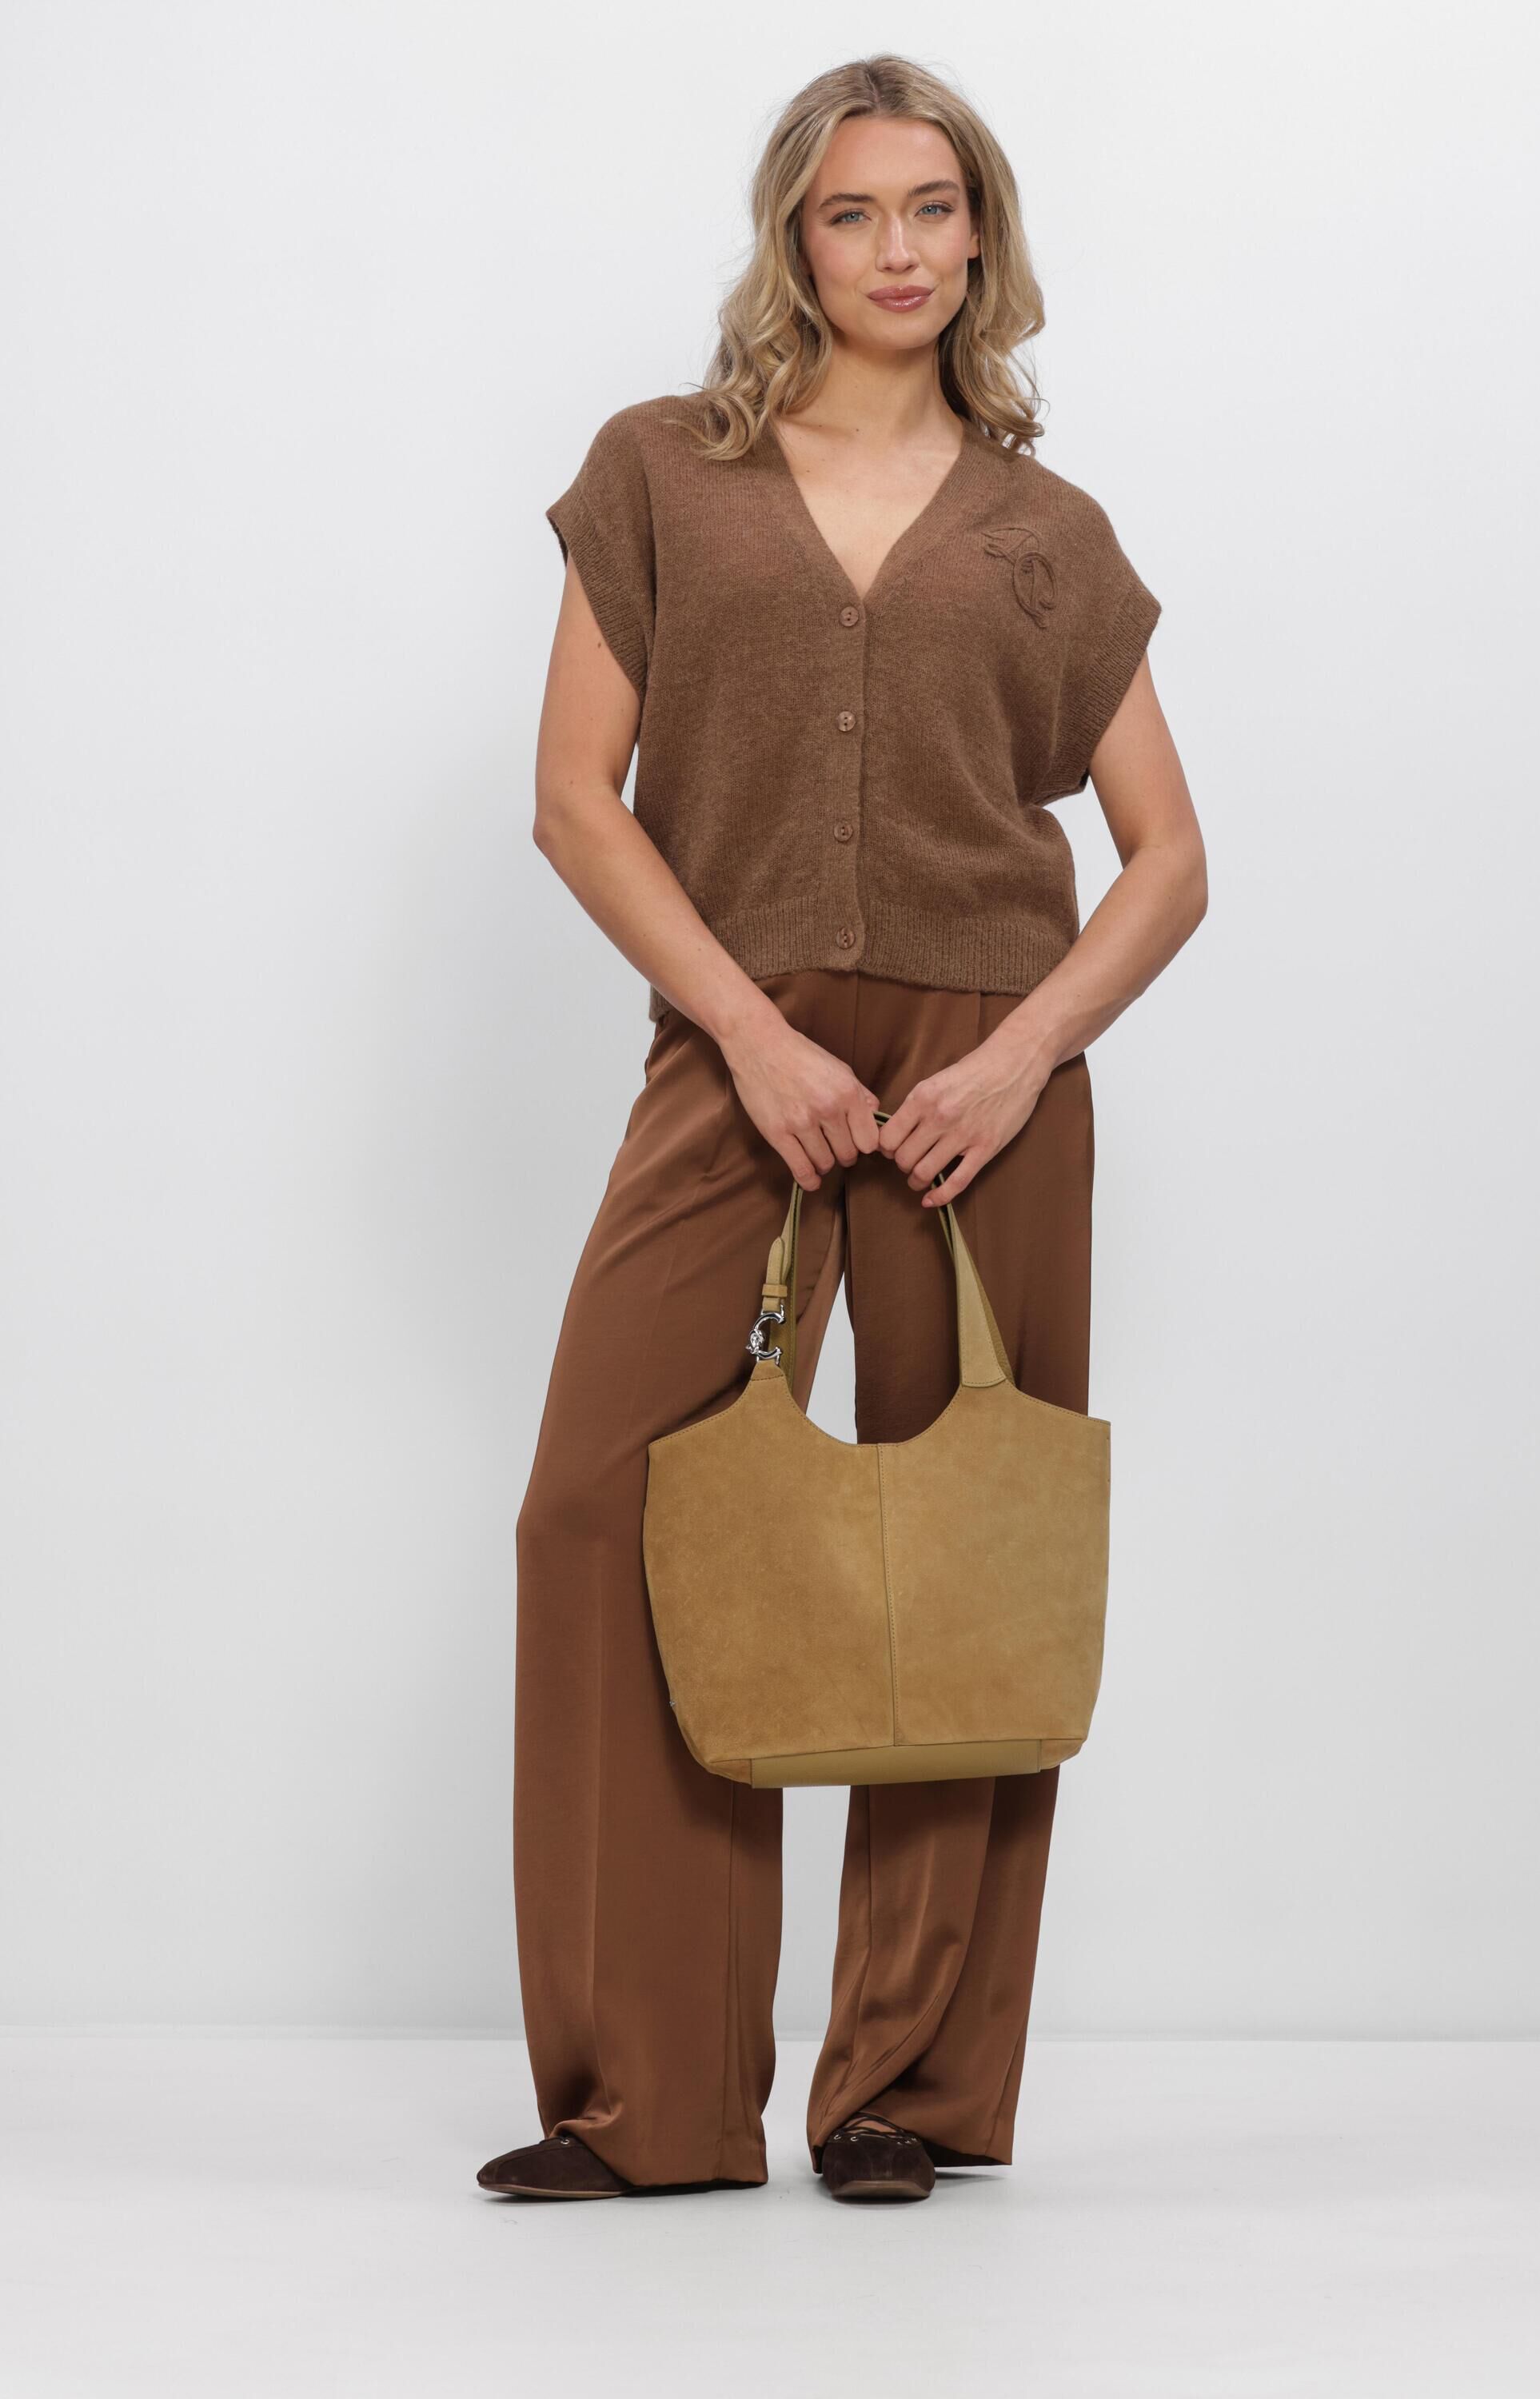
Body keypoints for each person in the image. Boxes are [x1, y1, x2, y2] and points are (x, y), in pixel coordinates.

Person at [477, 53, 1207, 2207]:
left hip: (996, 1080)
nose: (897, 248)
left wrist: (1021, 1058)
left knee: (958, 1544)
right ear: (791, 238)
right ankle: (649, 2097)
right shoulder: (663, 471)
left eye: (932, 207)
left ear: (983, 233)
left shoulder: (1048, 534)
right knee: (598, 1515)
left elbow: (1167, 858)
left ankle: (908, 2084)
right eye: (850, 212)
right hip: (746, 1050)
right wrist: (747, 1036)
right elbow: (573, 801)